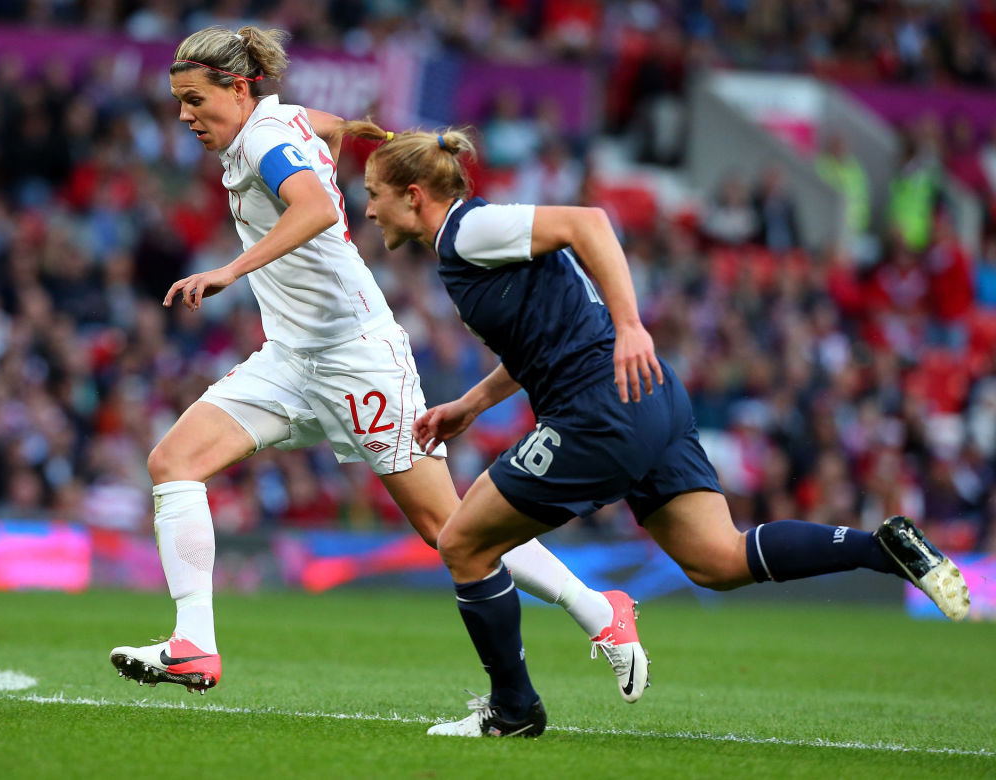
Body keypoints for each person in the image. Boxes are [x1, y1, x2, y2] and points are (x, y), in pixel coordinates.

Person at [346, 122, 971, 738]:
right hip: (649, 398)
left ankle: (513, 709)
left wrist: (631, 325)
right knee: (718, 560)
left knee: (461, 544)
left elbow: (588, 222)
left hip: (600, 411)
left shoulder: (470, 229)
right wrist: (472, 405)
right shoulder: (472, 247)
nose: (367, 209)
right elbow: (541, 341)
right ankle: (883, 548)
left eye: (373, 193)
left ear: (413, 194)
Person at [108, 26, 640, 698]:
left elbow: (318, 208)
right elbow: (324, 125)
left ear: (239, 89)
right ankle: (193, 645)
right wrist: (347, 133)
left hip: (356, 359)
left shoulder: (268, 140)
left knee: (447, 528)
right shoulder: (276, 124)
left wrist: (231, 270)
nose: (184, 115)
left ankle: (600, 610)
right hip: (292, 357)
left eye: (194, 100)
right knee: (173, 462)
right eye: (179, 102)